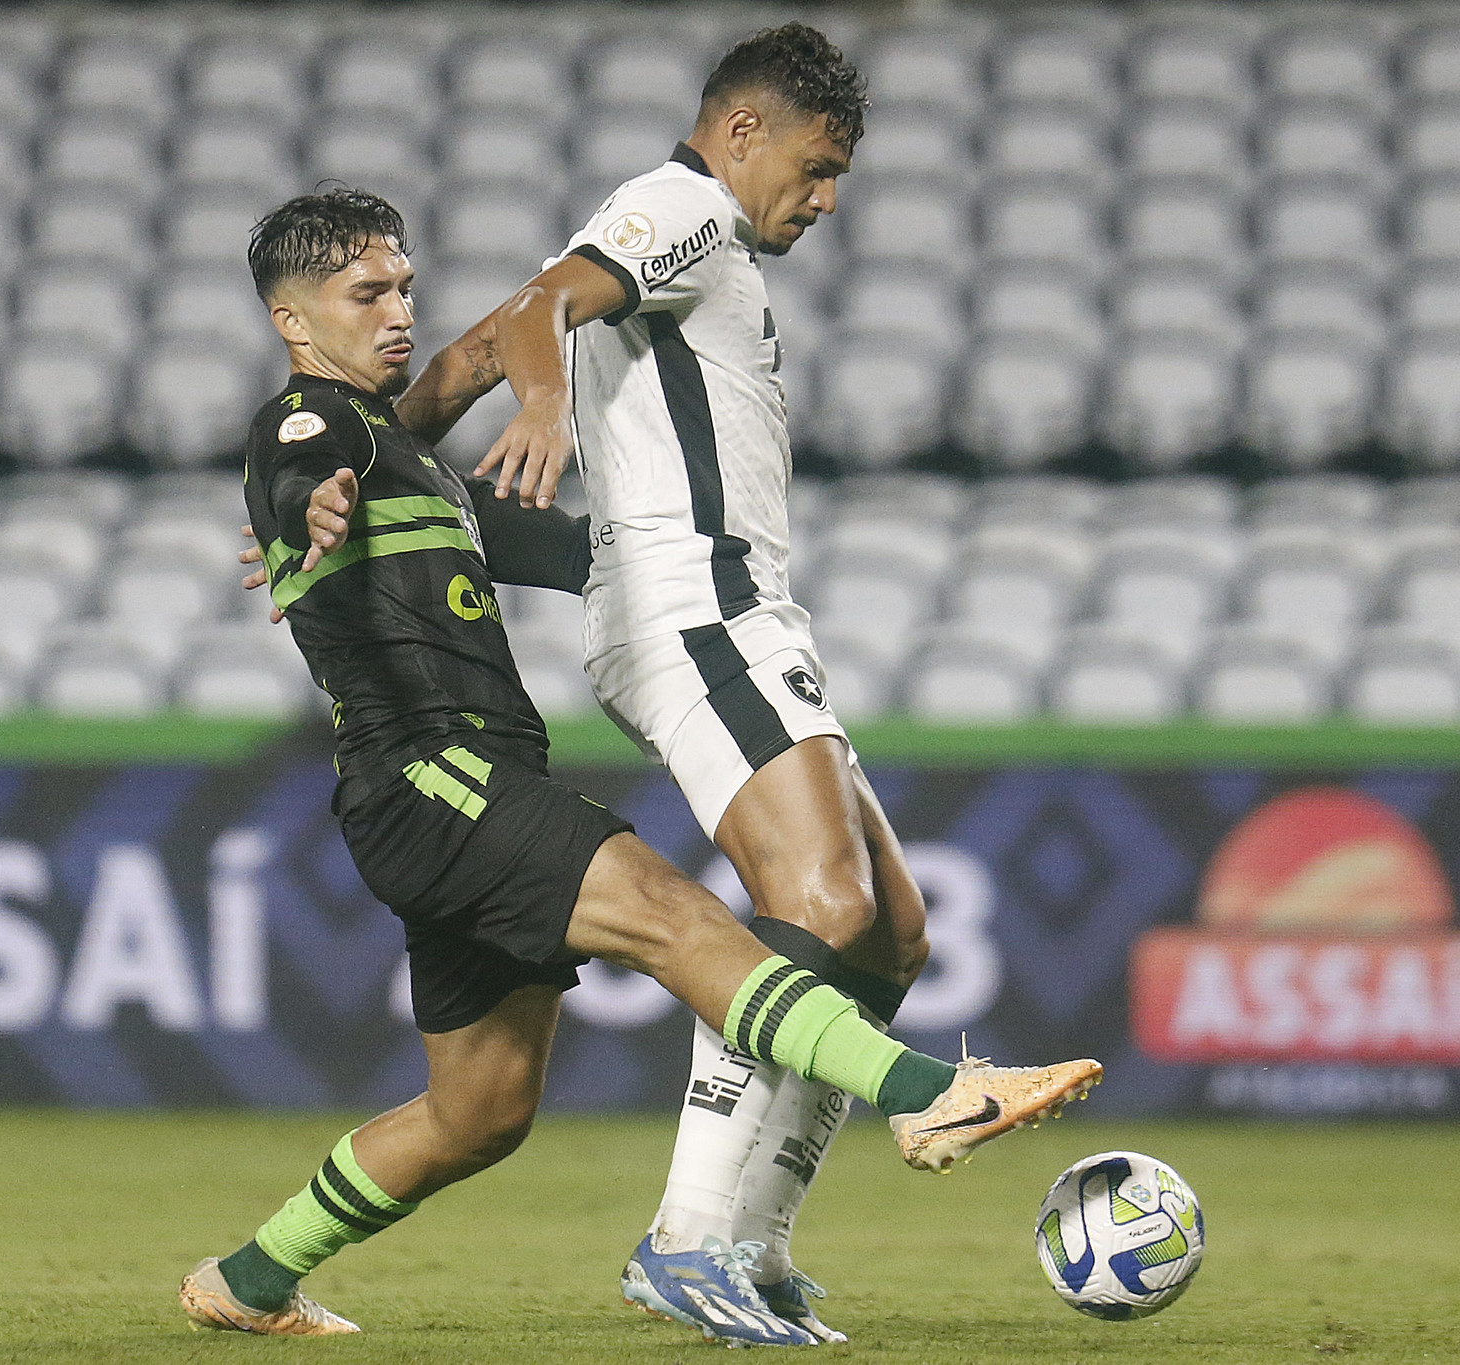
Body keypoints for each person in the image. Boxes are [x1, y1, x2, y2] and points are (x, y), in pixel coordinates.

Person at [184, 188, 1099, 1342]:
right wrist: (303, 510)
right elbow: (294, 470)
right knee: (675, 917)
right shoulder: (311, 429)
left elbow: (586, 555)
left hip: (441, 791)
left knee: (481, 1112)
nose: (398, 311)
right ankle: (929, 1092)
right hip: (435, 777)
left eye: (404, 285)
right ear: (293, 322)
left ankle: (250, 1278)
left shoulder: (415, 471)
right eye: (366, 294)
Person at [392, 23, 932, 1344]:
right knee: (814, 899)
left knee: (888, 932)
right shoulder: (680, 204)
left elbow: (463, 352)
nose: (828, 197)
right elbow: (531, 319)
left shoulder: (708, 241)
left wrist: (366, 472)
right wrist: (542, 410)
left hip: (733, 609)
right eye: (816, 167)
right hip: (699, 615)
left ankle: (753, 1243)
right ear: (744, 132)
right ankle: (686, 1238)